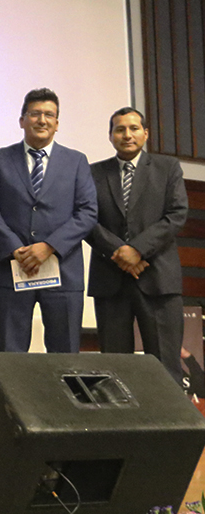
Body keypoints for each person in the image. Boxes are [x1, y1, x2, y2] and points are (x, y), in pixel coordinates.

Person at [0, 88, 97, 353]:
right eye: (35, 114)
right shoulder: (1, 159)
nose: (42, 120)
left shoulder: (76, 161)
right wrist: (15, 248)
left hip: (63, 273)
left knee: (65, 357)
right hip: (11, 271)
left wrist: (48, 246)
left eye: (49, 115)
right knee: (11, 359)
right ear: (22, 120)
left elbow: (87, 212)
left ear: (57, 123)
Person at [86, 107, 187, 384]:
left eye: (133, 128)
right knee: (115, 369)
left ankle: (170, 425)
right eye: (120, 129)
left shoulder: (168, 168)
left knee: (166, 367)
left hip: (158, 280)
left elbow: (176, 214)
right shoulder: (93, 172)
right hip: (111, 280)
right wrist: (120, 253)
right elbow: (85, 219)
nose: (127, 135)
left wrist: (138, 250)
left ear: (145, 133)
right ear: (110, 136)